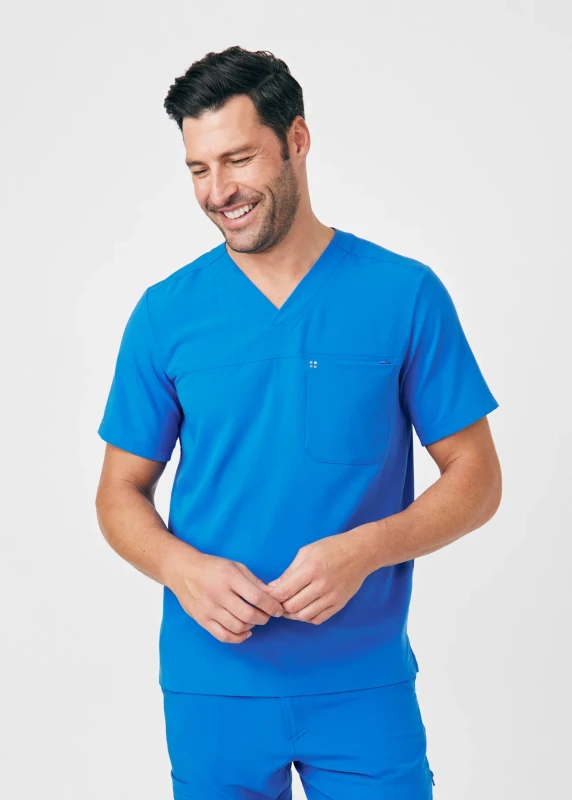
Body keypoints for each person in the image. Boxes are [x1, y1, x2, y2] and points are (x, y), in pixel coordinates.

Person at [95, 45, 502, 799]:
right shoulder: (164, 314)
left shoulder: (405, 294)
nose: (218, 191)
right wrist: (181, 568)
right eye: (198, 169)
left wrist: (368, 549)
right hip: (213, 685)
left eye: (238, 159)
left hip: (363, 682)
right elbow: (119, 491)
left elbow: (477, 477)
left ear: (298, 140)